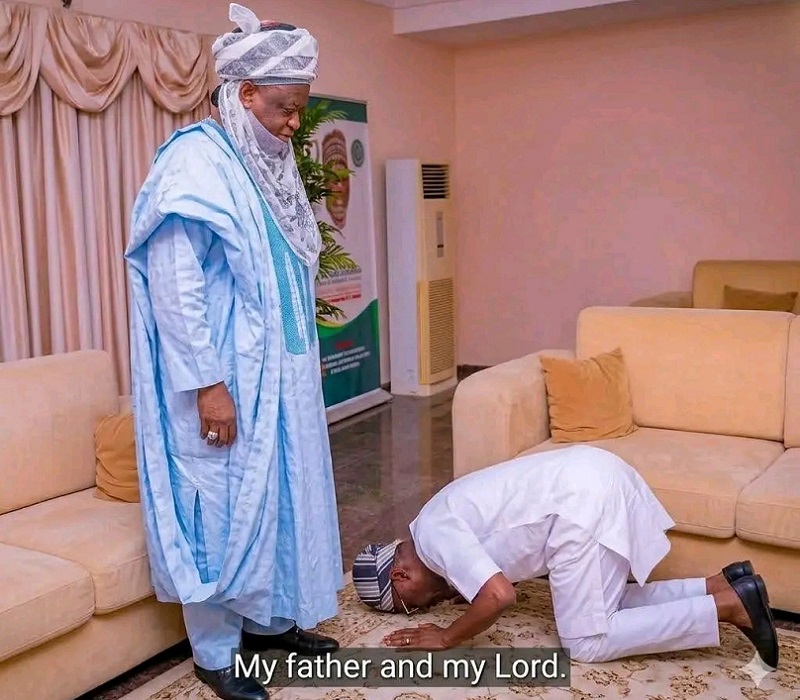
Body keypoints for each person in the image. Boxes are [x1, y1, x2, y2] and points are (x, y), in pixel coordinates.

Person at [125, 4, 343, 700]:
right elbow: (174, 286)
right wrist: (208, 385)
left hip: (283, 374)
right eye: (284, 109)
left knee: (283, 491)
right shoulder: (195, 162)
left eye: (299, 110)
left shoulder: (269, 164)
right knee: (221, 505)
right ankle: (216, 653)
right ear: (244, 93)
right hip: (226, 377)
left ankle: (271, 622)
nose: (294, 124)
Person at [352, 445, 779, 670]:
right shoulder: (432, 520)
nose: (428, 605)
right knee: (605, 608)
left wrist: (446, 638)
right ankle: (717, 586)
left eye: (413, 605)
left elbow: (499, 596)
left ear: (401, 575)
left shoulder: (434, 538)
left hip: (580, 504)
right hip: (595, 477)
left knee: (587, 642)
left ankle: (729, 607)